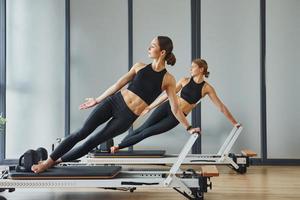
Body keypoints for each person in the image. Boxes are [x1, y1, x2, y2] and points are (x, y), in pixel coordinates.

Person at [31, 36, 200, 173]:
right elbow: (117, 85)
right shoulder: (139, 66)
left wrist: (188, 127)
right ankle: (48, 162)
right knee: (82, 132)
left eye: (152, 45)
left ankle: (57, 160)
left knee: (92, 141)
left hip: (126, 118)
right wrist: (97, 99)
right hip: (114, 102)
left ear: (162, 52)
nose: (149, 48)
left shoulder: (168, 79)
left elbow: (175, 108)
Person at [111, 58, 240, 153]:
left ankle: (118, 147)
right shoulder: (184, 80)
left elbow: (221, 107)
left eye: (193, 67)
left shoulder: (207, 88)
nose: (190, 69)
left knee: (148, 132)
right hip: (167, 107)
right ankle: (119, 145)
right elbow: (166, 95)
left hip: (177, 116)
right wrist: (151, 107)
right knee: (143, 128)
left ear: (201, 69)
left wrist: (234, 123)